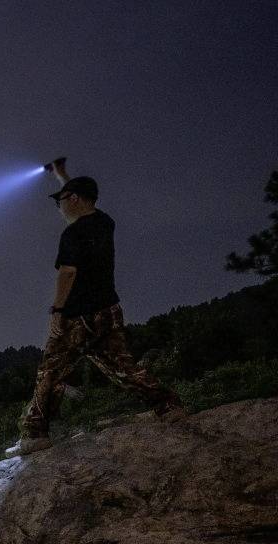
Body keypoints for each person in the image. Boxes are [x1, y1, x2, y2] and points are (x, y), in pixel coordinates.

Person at [14, 170, 187, 453]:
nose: (59, 206)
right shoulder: (105, 223)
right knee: (123, 368)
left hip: (78, 317)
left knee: (50, 373)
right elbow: (88, 202)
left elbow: (68, 273)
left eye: (61, 200)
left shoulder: (72, 234)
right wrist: (62, 177)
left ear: (75, 199)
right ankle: (168, 405)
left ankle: (35, 435)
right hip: (108, 311)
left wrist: (58, 310)